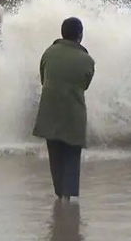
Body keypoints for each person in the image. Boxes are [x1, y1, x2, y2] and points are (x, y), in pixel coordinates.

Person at [33, 17, 95, 201]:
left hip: (49, 112)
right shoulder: (87, 60)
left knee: (55, 155)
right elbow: (85, 85)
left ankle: (60, 195)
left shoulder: (48, 52)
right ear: (80, 35)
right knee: (71, 156)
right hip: (73, 114)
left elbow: (43, 79)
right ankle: (67, 197)